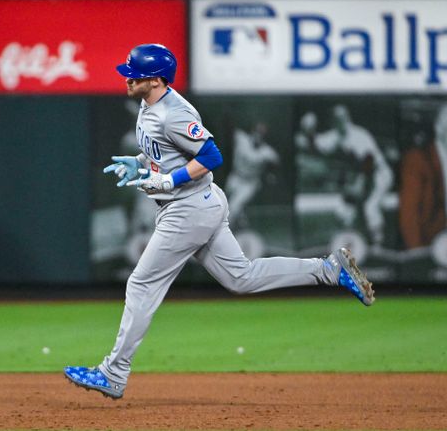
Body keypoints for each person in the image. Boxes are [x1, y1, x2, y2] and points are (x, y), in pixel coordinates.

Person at [64, 44, 374, 400]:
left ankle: (113, 373)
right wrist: (140, 163)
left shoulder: (173, 112)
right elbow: (167, 153)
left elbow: (211, 155)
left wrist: (169, 181)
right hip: (197, 204)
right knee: (241, 277)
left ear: (155, 79)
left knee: (141, 284)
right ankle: (329, 270)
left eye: (133, 74)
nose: (127, 78)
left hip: (188, 208)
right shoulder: (149, 106)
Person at [296, 105, 393, 246]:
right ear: (333, 121)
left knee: (370, 207)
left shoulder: (359, 136)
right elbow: (316, 145)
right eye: (336, 119)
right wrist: (309, 132)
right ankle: (356, 246)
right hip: (361, 176)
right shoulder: (336, 135)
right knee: (343, 213)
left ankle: (379, 247)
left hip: (379, 175)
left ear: (348, 118)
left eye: (342, 118)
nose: (340, 121)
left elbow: (369, 161)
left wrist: (360, 183)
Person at [398, 104, 447, 250]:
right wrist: (418, 255)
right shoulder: (417, 160)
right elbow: (409, 215)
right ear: (439, 128)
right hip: (432, 249)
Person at [225, 123, 279, 227]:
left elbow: (277, 163)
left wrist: (271, 174)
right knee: (225, 205)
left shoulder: (267, 151)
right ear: (252, 132)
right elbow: (226, 129)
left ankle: (226, 234)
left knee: (234, 207)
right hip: (235, 177)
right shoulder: (241, 138)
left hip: (249, 183)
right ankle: (243, 226)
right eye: (257, 132)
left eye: (261, 134)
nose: (258, 136)